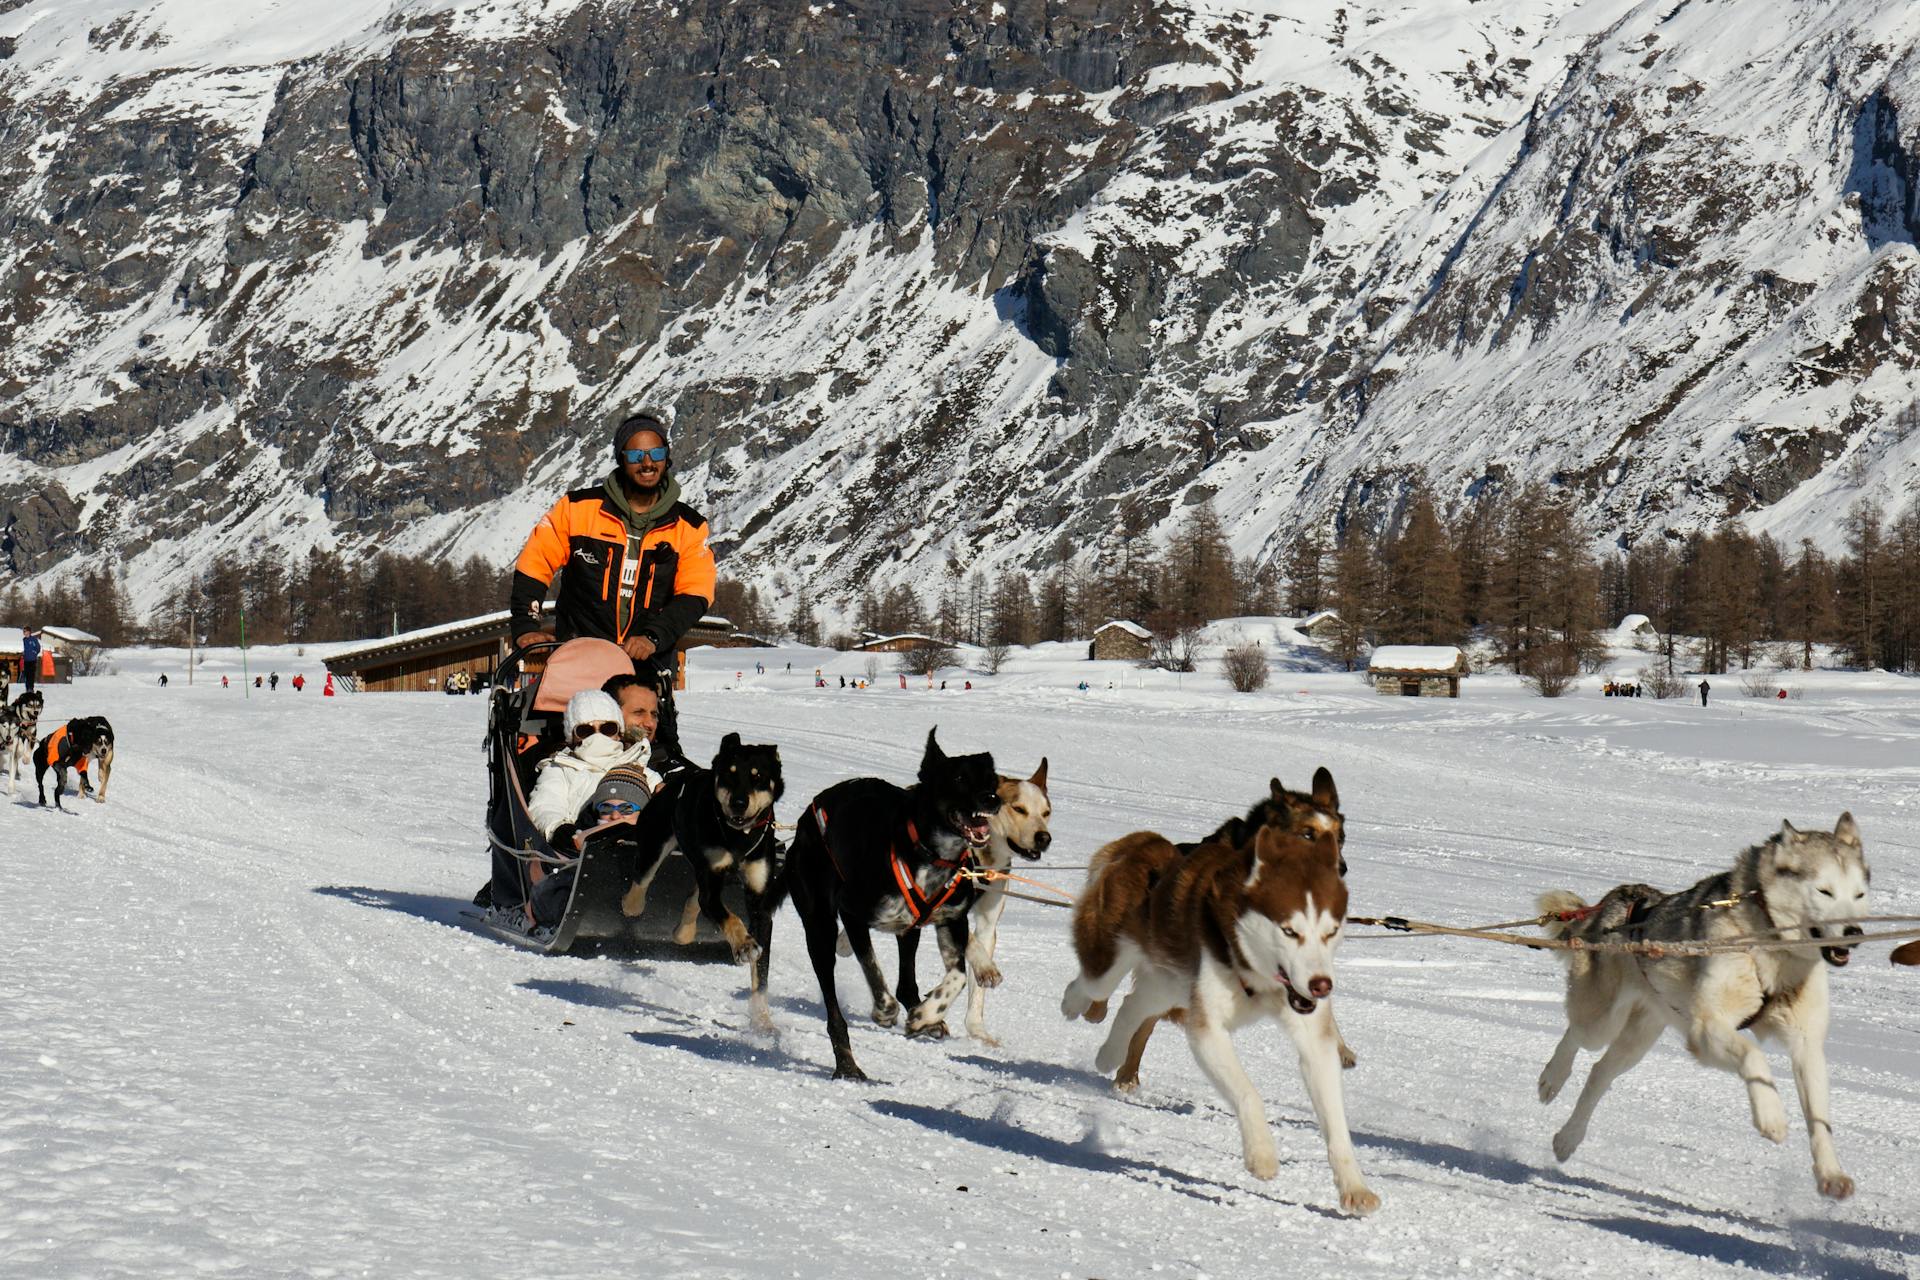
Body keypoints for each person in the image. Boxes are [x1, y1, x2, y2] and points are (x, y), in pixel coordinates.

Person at [509, 409, 716, 767]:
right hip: (580, 658)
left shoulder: (688, 526)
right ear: (621, 459)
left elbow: (696, 593)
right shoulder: (577, 510)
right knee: (569, 754)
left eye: (656, 454)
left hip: (645, 666)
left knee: (654, 757)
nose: (647, 463)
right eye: (637, 455)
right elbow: (535, 564)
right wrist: (527, 626)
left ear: (667, 457)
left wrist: (653, 636)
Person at [522, 690, 659, 927]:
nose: (598, 737)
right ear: (572, 737)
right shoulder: (560, 769)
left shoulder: (640, 766)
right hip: (580, 854)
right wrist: (559, 830)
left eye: (606, 729)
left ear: (619, 732)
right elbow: (545, 804)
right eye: (585, 731)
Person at [601, 673, 661, 749]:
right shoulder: (586, 758)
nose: (650, 723)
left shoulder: (666, 757)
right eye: (639, 713)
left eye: (654, 715)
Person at [20, 628, 40, 695]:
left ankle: (31, 688)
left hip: (32, 660)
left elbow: (38, 648)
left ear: (29, 632)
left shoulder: (34, 639)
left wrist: (34, 653)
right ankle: (27, 688)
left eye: (26, 632)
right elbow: (26, 648)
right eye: (24, 632)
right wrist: (24, 653)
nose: (24, 633)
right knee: (27, 675)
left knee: (31, 675)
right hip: (26, 660)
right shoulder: (24, 640)